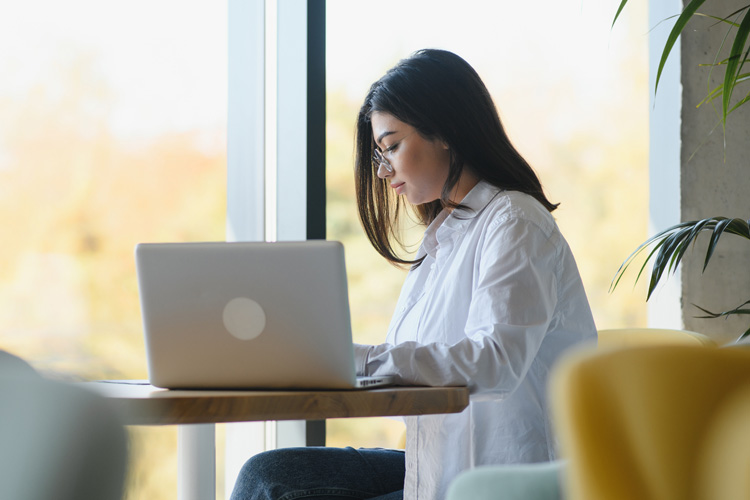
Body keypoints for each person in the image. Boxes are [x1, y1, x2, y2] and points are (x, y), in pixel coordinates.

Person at [230, 48, 596, 500]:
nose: (383, 171)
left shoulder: (515, 221)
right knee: (269, 474)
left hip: (501, 477)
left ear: (444, 131)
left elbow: (494, 362)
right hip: (440, 467)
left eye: (392, 146)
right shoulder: (445, 237)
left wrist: (360, 360)